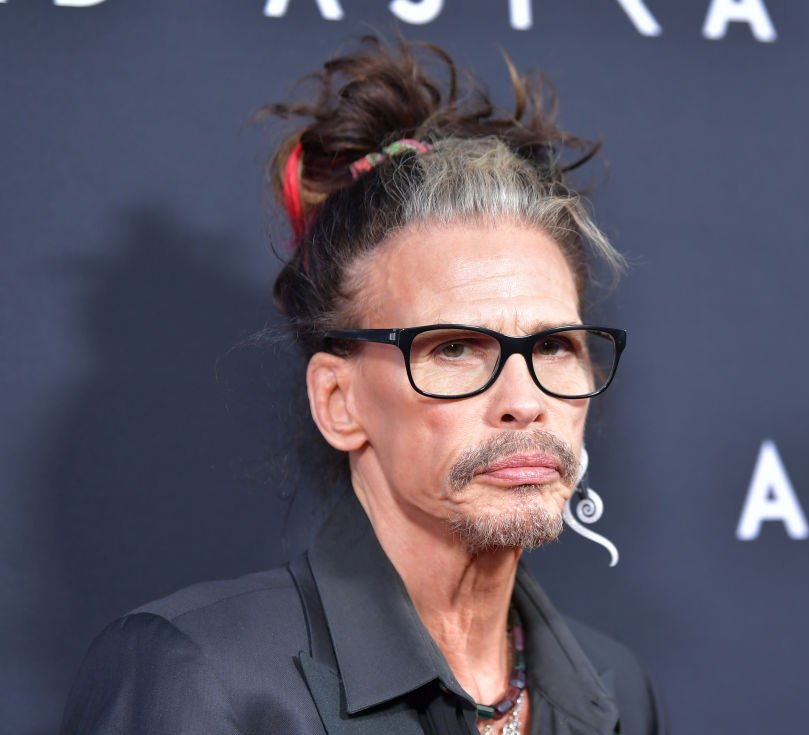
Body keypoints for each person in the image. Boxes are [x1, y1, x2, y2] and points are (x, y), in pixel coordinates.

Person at [61, 37, 664, 735]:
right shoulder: (203, 676)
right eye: (457, 347)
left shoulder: (618, 691)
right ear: (338, 402)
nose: (525, 401)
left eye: (555, 345)